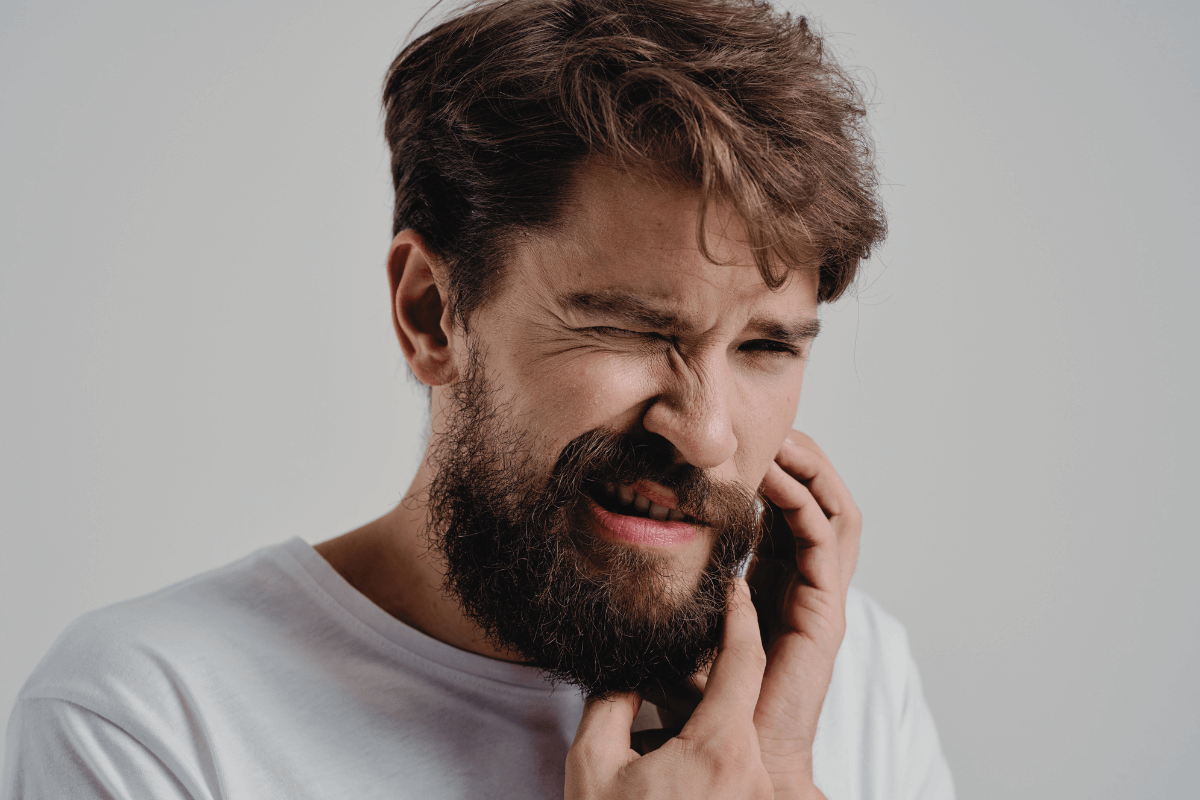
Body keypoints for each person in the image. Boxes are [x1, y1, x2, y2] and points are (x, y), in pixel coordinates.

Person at [2, 0, 955, 797]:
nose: (706, 434)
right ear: (432, 314)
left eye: (764, 347)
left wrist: (786, 773)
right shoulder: (151, 717)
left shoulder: (844, 673)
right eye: (628, 329)